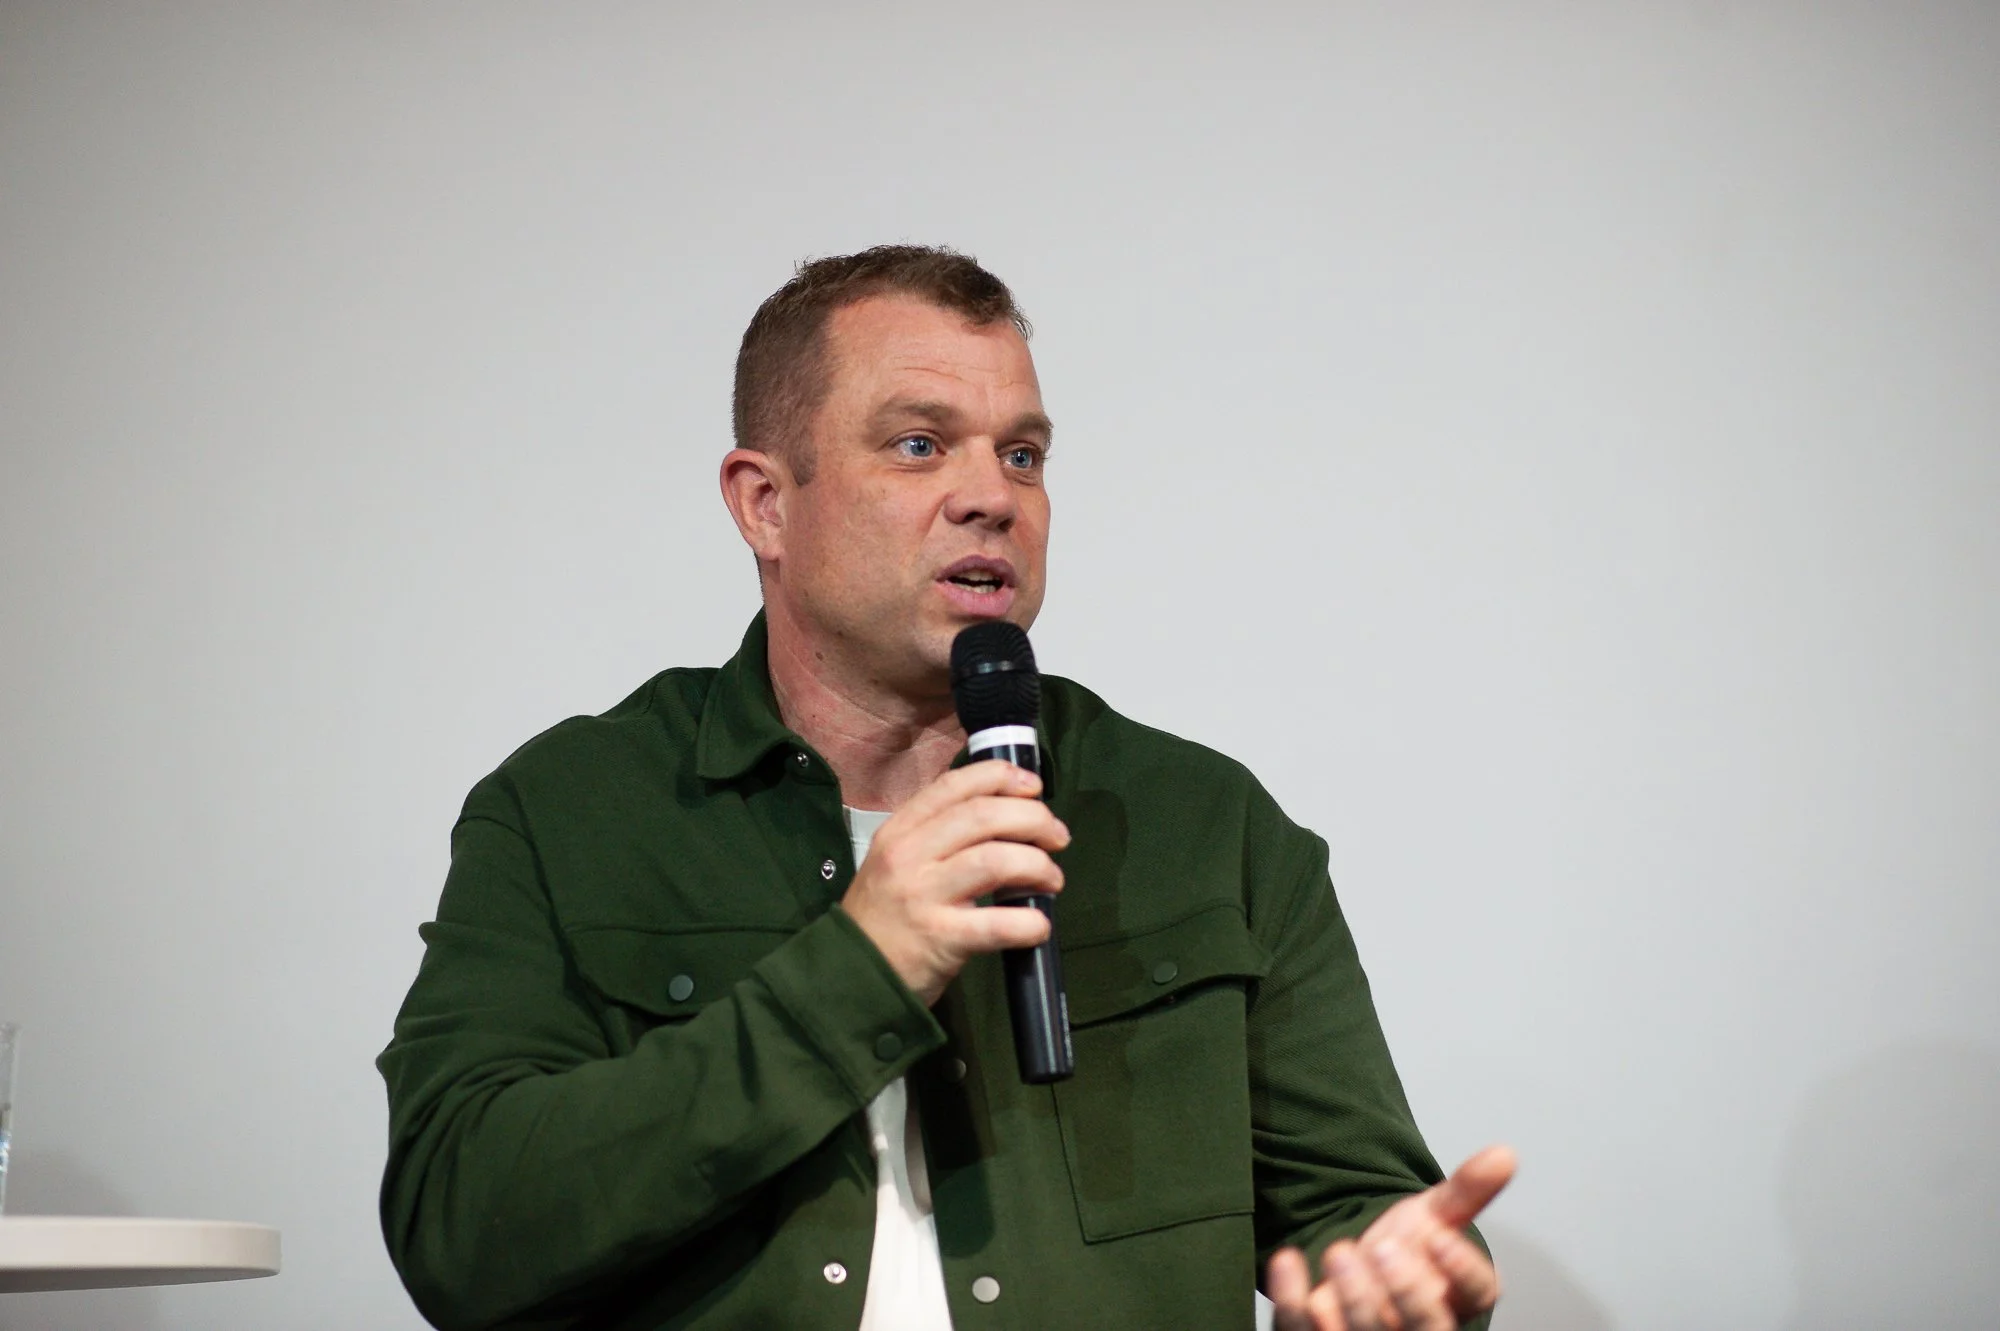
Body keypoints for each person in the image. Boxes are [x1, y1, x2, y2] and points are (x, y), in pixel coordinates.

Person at [377, 245, 1515, 1331]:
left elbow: (1349, 1213)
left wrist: (1387, 1276)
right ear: (764, 503)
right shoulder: (570, 810)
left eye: (1022, 454)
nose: (992, 496)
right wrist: (855, 972)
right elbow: (462, 1233)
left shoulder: (1205, 826)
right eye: (920, 445)